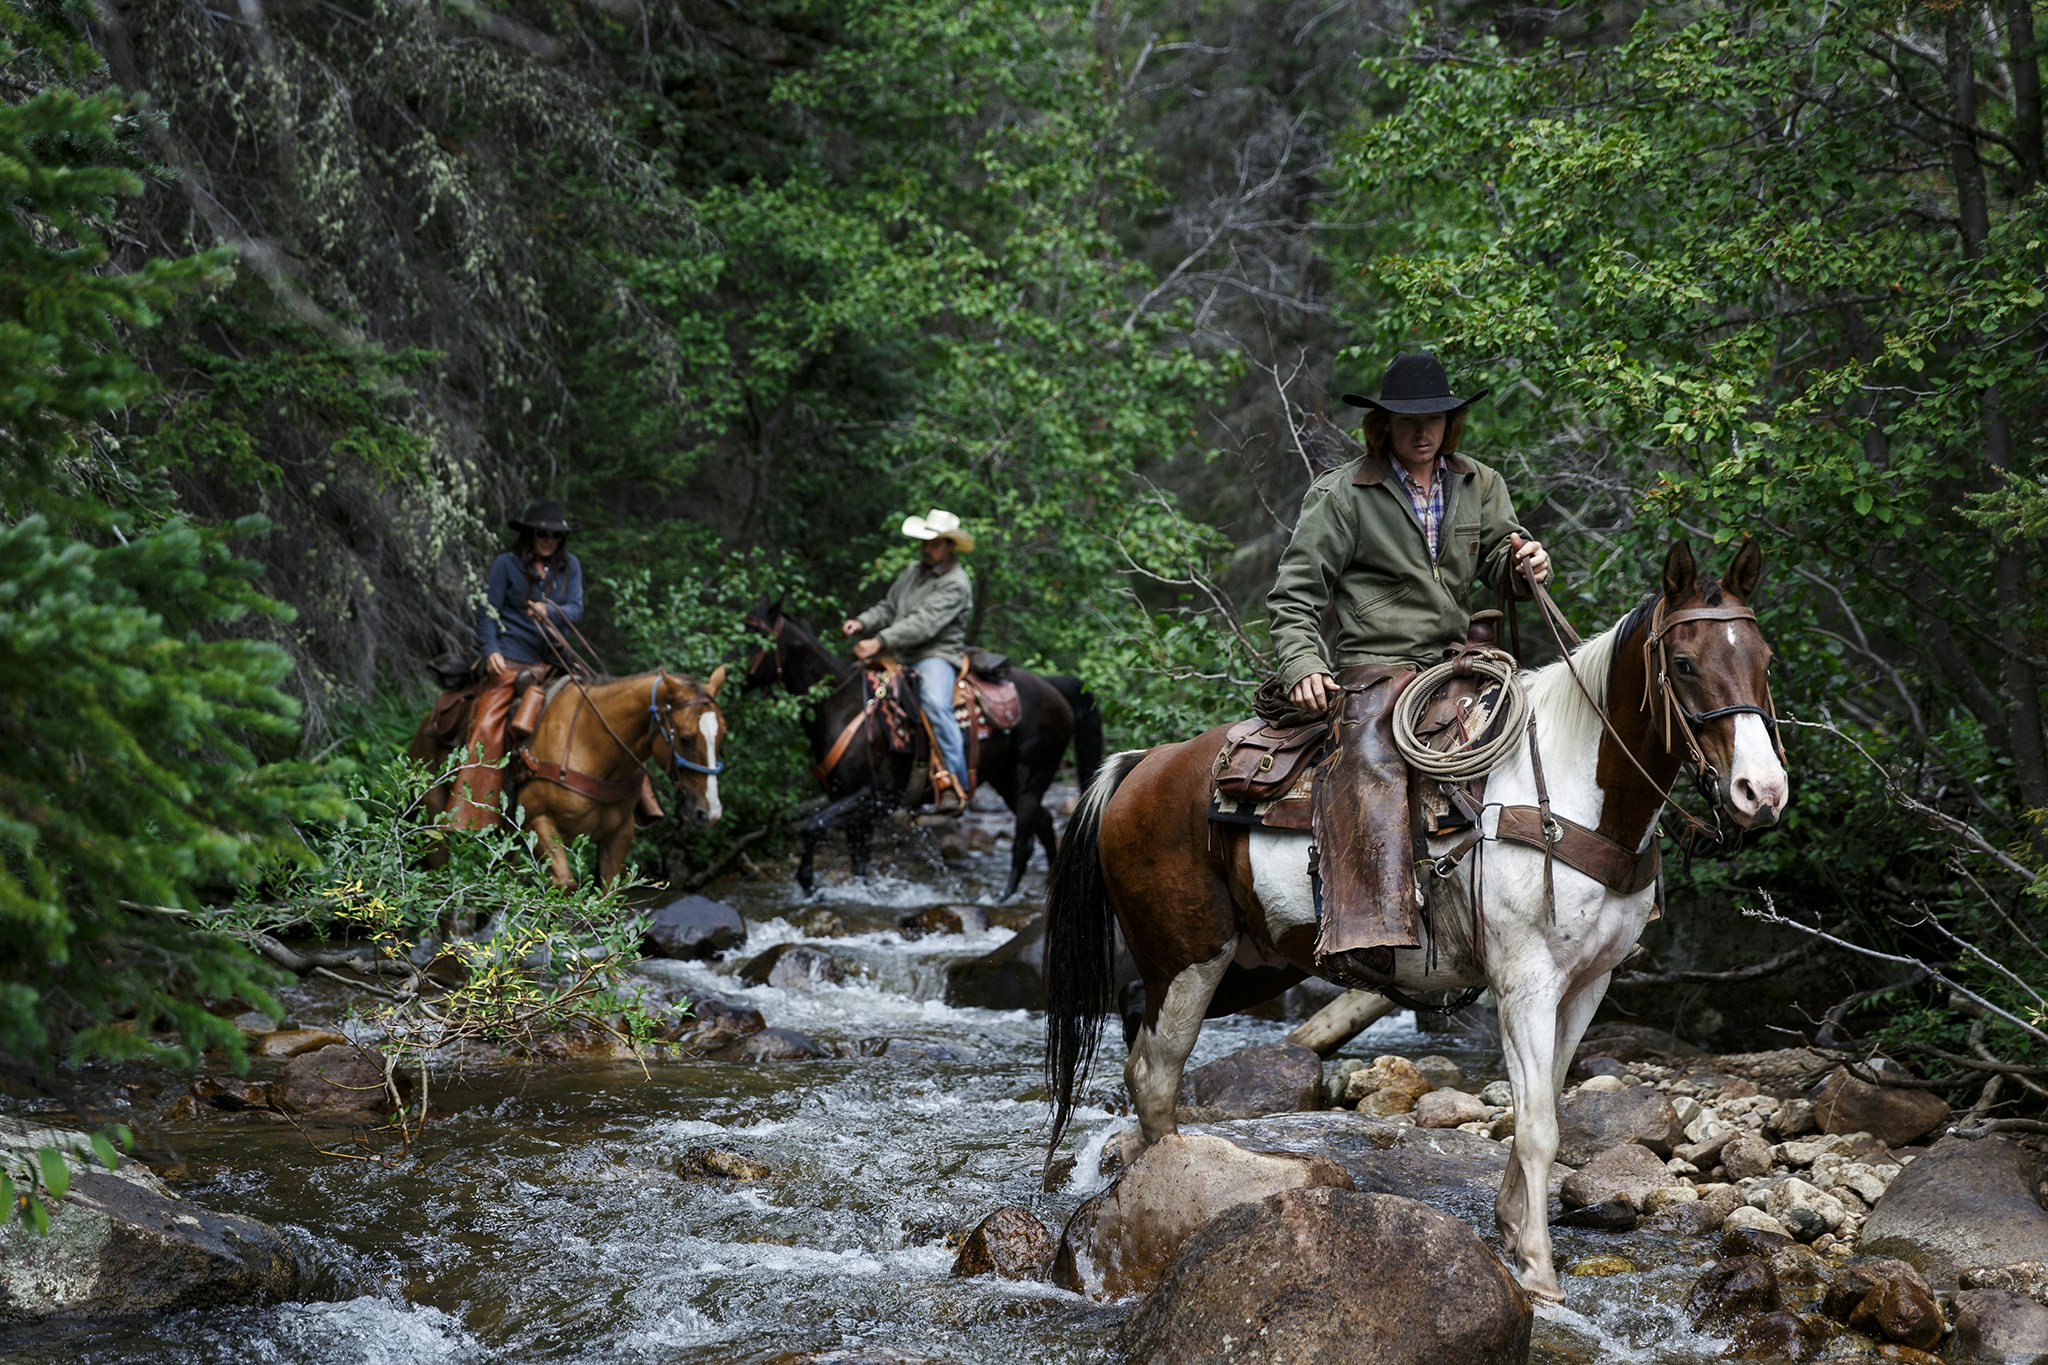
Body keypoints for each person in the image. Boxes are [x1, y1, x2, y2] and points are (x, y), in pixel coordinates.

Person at [1266, 351, 1550, 983]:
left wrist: (1527, 565)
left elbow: (1502, 563)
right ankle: (1369, 930)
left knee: (1546, 734)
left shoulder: (1481, 483)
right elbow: (1295, 595)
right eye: (1408, 421)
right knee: (1370, 757)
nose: (1424, 432)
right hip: (1378, 664)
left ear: (1452, 422)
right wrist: (1304, 664)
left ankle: (1557, 910)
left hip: (1458, 662)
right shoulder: (1342, 495)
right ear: (1383, 426)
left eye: (1438, 419)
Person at [448, 498, 585, 830]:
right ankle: (471, 815)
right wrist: (491, 648)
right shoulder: (506, 564)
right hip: (511, 658)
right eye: (541, 533)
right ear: (529, 534)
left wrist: (550, 611)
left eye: (554, 535)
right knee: (486, 725)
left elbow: (577, 608)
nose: (548, 540)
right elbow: (487, 610)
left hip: (554, 660)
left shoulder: (571, 567)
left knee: (599, 706)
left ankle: (626, 806)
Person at [842, 508, 976, 815]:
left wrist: (879, 641)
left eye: (935, 543)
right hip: (899, 654)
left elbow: (923, 623)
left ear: (949, 546)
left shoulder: (956, 582)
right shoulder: (913, 571)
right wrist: (863, 622)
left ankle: (955, 784)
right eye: (925, 542)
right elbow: (888, 608)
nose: (927, 548)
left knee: (934, 704)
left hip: (935, 655)